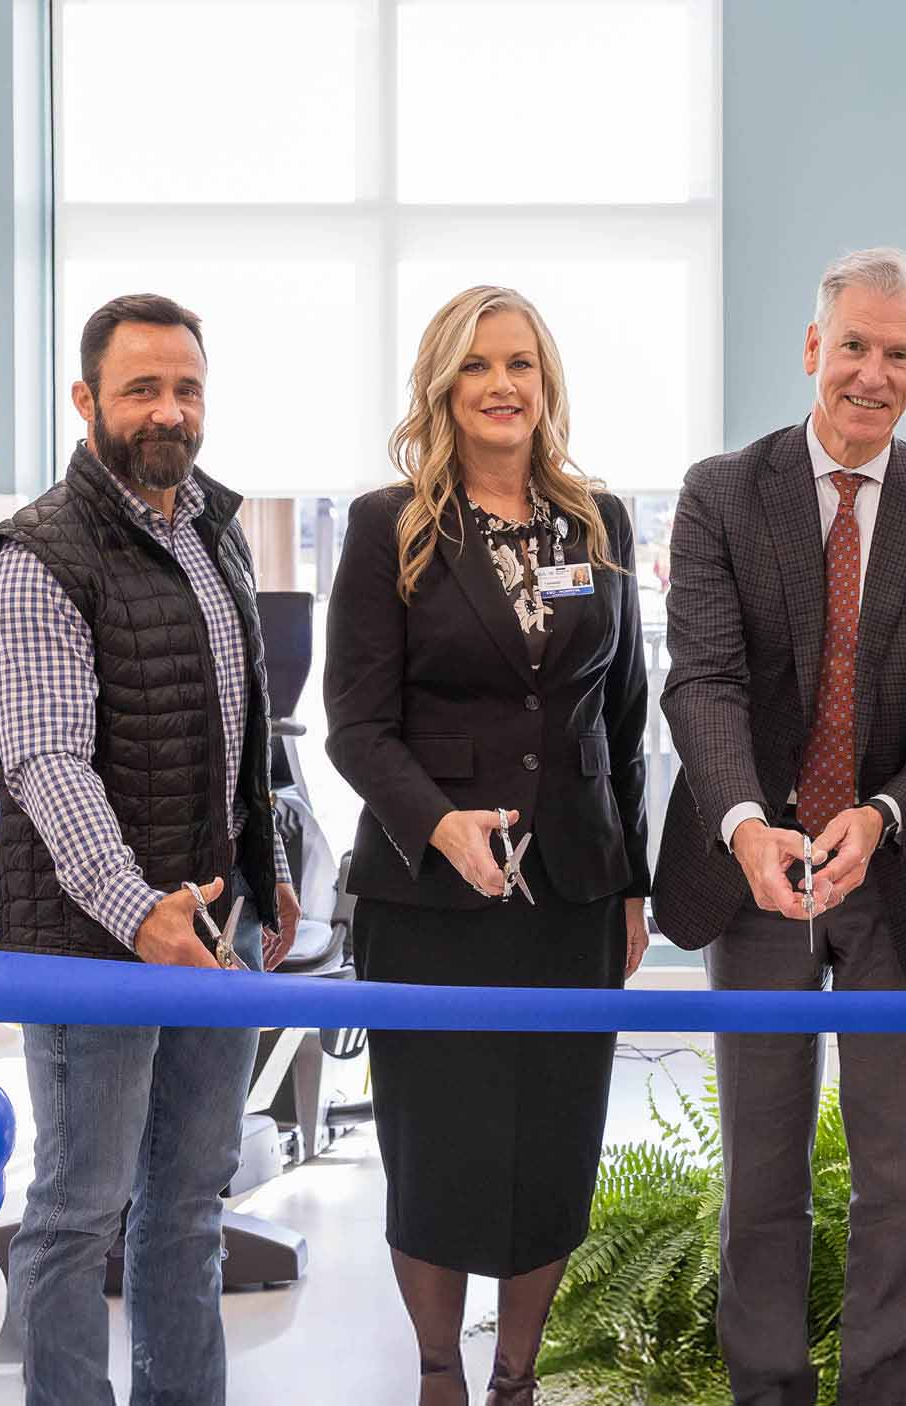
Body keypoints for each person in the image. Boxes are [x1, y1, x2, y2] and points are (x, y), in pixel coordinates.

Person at [654, 247, 906, 1405]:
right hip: (754, 869)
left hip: (899, 875)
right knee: (761, 1168)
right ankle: (765, 1389)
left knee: (897, 1177)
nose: (870, 371)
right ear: (813, 347)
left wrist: (887, 812)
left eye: (896, 353)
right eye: (851, 344)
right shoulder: (722, 491)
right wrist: (749, 821)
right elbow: (700, 681)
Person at [0, 292, 300, 1406]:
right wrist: (138, 908)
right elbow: (48, 764)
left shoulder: (215, 528)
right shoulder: (35, 555)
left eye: (186, 387)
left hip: (215, 928)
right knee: (77, 1208)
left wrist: (272, 870)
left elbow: (245, 716)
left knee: (189, 1203)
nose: (168, 410)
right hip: (90, 936)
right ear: (85, 400)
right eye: (141, 388)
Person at [324, 286, 653, 1406]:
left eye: (520, 362)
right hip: (426, 896)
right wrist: (436, 821)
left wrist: (633, 881)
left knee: (553, 1141)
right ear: (444, 387)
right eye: (477, 366)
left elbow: (624, 718)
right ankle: (437, 1369)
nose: (501, 384)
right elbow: (356, 724)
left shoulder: (599, 521)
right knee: (437, 1142)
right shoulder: (390, 525)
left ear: (547, 381)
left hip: (571, 884)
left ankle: (517, 1374)